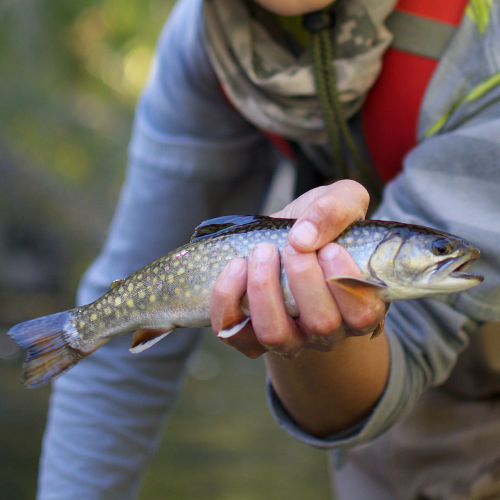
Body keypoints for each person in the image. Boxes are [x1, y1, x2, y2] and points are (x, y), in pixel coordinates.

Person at [37, 0, 500, 498]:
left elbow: (415, 345)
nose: (440, 254)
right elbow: (121, 364)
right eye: (435, 251)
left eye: (434, 250)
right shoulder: (206, 43)